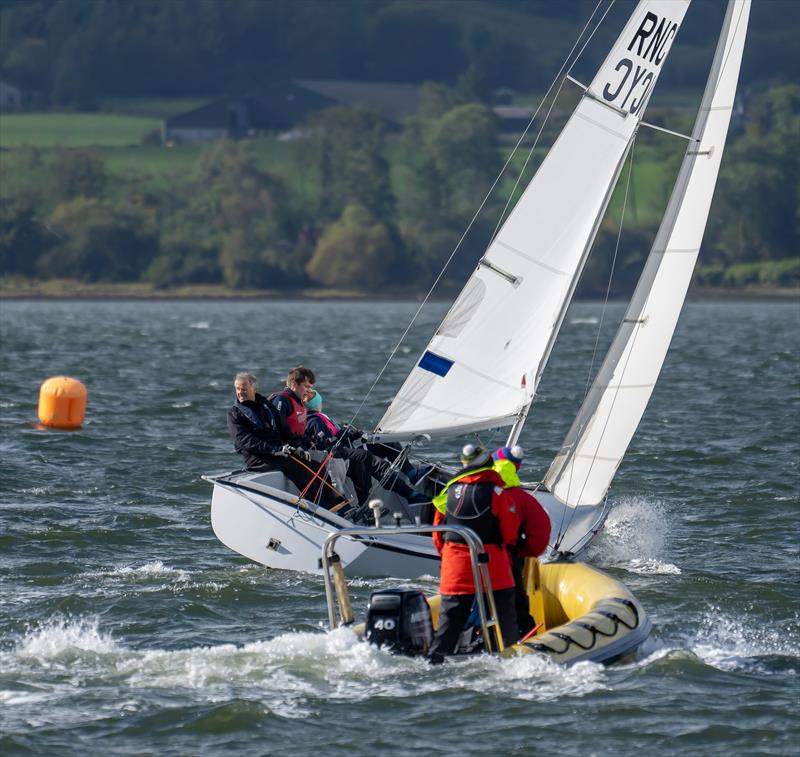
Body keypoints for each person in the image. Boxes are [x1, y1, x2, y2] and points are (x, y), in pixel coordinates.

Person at [427, 445, 521, 660]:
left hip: (455, 566)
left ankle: (435, 660)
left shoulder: (448, 491)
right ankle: (508, 657)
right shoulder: (497, 492)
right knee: (505, 620)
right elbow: (509, 532)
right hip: (491, 566)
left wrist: (449, 556)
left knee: (449, 624)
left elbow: (438, 532)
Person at [226, 372, 340, 509]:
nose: (240, 393)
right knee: (301, 471)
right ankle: (323, 509)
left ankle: (338, 504)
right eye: (237, 389)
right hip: (259, 457)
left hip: (278, 452)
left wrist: (298, 446)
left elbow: (284, 429)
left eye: (243, 389)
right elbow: (244, 441)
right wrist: (275, 450)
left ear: (253, 389)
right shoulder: (234, 414)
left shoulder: (266, 405)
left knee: (317, 467)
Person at [303, 389, 428, 509]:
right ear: (317, 404)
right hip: (343, 459)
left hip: (348, 452)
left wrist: (352, 435)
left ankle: (413, 474)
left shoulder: (321, 418)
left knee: (387, 442)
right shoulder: (314, 421)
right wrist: (344, 436)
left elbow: (337, 438)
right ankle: (411, 496)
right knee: (378, 464)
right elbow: (328, 446)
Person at [492, 445, 551, 636]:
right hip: (508, 559)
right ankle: (525, 637)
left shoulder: (472, 491)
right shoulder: (524, 499)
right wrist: (525, 552)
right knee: (516, 602)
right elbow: (540, 533)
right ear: (516, 468)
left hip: (467, 558)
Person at [269, 365, 316, 443]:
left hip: (298, 447)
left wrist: (308, 441)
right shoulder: (281, 399)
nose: (309, 391)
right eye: (306, 386)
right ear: (294, 384)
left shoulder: (299, 402)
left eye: (310, 387)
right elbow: (278, 429)